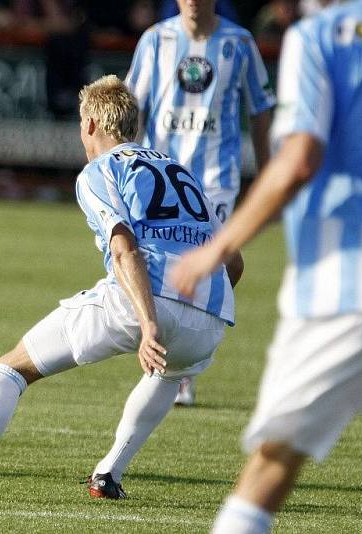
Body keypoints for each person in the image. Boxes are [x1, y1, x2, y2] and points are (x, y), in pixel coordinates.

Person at [0, 74, 243, 499]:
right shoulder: (181, 171)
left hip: (146, 299)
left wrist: (152, 323)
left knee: (13, 368)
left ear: (89, 126)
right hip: (211, 314)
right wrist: (199, 309)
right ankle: (108, 475)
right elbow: (234, 261)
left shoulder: (98, 172)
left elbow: (124, 249)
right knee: (167, 375)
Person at [170, 2, 362, 532]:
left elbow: (297, 160)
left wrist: (216, 246)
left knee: (273, 465)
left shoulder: (322, 36)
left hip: (345, 289)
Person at [126, 0, 275, 406]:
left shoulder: (240, 42)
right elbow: (133, 108)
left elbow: (260, 108)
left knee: (218, 267)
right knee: (166, 267)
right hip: (162, 179)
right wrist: (125, 162)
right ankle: (171, 359)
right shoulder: (156, 40)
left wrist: (267, 173)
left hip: (215, 182)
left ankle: (185, 369)